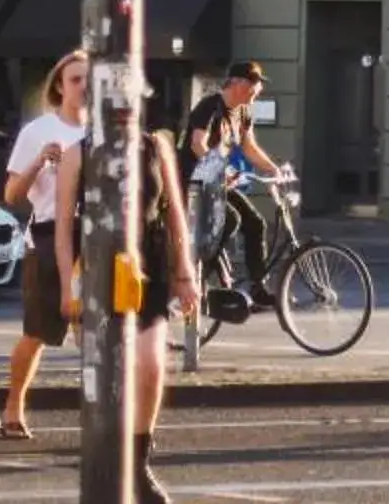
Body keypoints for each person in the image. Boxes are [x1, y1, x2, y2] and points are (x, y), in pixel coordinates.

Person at [57, 116, 199, 503]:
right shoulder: (78, 153)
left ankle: (138, 463)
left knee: (150, 364)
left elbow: (175, 212)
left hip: (148, 262)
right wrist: (68, 288)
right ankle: (107, 461)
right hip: (99, 266)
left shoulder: (156, 147)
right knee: (109, 373)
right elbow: (63, 229)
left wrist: (184, 271)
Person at [0, 49, 87, 442]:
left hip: (95, 234)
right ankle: (13, 406)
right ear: (59, 87)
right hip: (49, 235)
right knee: (38, 331)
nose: (83, 87)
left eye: (90, 80)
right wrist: (39, 161)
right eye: (75, 80)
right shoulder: (38, 130)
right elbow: (11, 194)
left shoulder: (104, 131)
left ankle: (103, 415)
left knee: (103, 330)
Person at [184, 61, 283, 306]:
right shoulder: (210, 106)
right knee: (230, 219)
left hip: (217, 182)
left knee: (255, 223)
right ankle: (196, 275)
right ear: (238, 84)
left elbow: (250, 148)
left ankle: (258, 287)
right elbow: (197, 144)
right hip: (194, 181)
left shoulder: (243, 112)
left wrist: (274, 169)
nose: (258, 91)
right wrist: (222, 169)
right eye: (255, 85)